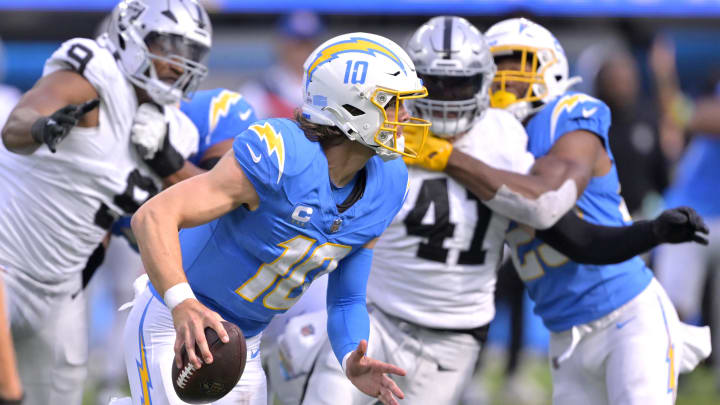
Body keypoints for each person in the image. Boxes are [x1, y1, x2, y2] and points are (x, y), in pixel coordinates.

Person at [281, 17, 709, 405]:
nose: (511, 77)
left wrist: (446, 156)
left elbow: (558, 218)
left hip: (516, 329)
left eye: (520, 63)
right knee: (302, 350)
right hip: (412, 317)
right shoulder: (415, 132)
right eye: (437, 83)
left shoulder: (537, 128)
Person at [121, 32, 432, 405]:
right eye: (394, 103)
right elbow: (153, 217)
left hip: (245, 343)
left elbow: (348, 299)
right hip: (177, 323)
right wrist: (182, 304)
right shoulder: (283, 155)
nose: (407, 116)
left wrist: (352, 355)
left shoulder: (389, 183)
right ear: (353, 105)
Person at [0, 1, 212, 403]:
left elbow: (203, 211)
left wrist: (168, 162)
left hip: (62, 291)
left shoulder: (176, 132)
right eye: (169, 45)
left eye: (190, 53)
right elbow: (16, 125)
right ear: (132, 38)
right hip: (6, 264)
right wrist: (42, 126)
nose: (179, 63)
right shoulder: (96, 76)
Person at [87, 87, 257, 404]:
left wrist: (168, 162)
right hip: (169, 291)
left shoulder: (217, 111)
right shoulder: (100, 138)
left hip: (242, 284)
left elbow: (226, 206)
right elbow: (88, 249)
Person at [650, 36, 720, 391]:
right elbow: (682, 114)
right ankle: (665, 378)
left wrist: (664, 74)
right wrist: (664, 75)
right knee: (674, 305)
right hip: (693, 211)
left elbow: (686, 114)